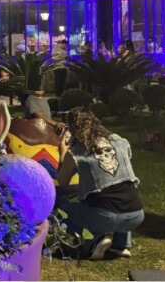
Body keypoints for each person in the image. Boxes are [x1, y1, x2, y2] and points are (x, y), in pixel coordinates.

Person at [55, 106, 144, 261]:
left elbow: (62, 181)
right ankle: (121, 245)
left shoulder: (76, 151)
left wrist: (62, 152)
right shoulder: (119, 140)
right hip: (136, 214)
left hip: (104, 217)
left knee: (60, 213)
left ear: (72, 128)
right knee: (120, 189)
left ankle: (94, 241)